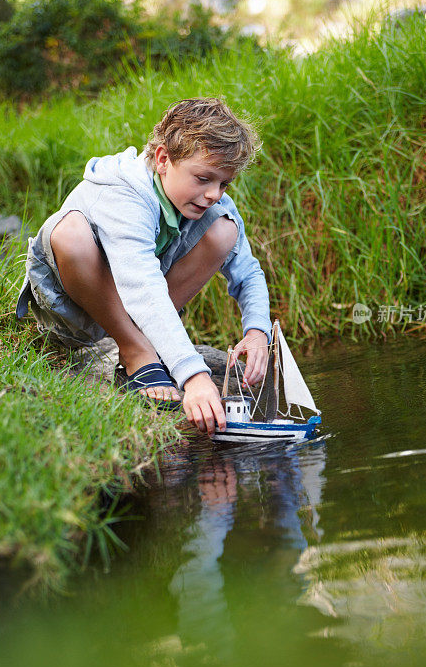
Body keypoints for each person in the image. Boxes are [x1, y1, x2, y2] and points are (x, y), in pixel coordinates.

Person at [15, 98, 272, 437]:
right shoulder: (126, 194)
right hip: (76, 314)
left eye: (224, 183)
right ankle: (136, 350)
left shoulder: (209, 201)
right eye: (203, 178)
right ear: (163, 159)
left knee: (225, 229)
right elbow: (141, 285)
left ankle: (145, 343)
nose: (213, 194)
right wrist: (193, 375)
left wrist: (257, 331)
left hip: (139, 311)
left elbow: (247, 269)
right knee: (71, 233)